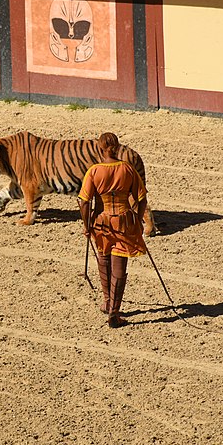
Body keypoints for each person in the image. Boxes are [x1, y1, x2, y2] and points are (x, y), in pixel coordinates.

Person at [78, 132, 148, 328]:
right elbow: (141, 199)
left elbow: (84, 202)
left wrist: (86, 224)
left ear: (100, 149)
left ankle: (107, 302)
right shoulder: (127, 169)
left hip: (101, 222)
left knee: (104, 258)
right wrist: (139, 220)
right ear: (117, 148)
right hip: (124, 220)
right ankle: (114, 312)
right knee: (119, 264)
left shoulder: (94, 171)